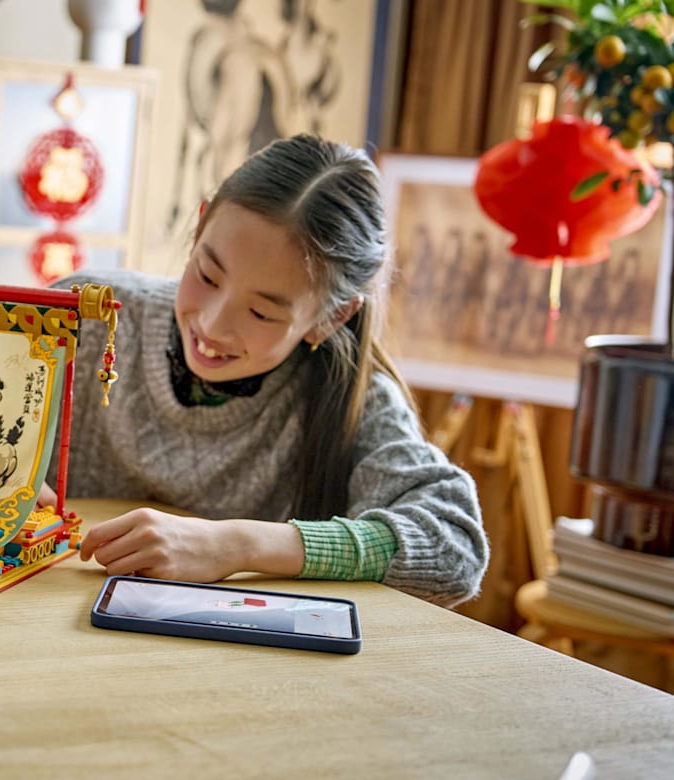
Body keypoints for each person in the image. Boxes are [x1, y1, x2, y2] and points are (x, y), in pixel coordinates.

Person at [47, 134, 488, 606]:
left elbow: (454, 549)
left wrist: (238, 545)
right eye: (207, 276)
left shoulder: (353, 398)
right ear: (199, 228)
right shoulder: (84, 316)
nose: (212, 324)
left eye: (261, 313)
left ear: (331, 318)